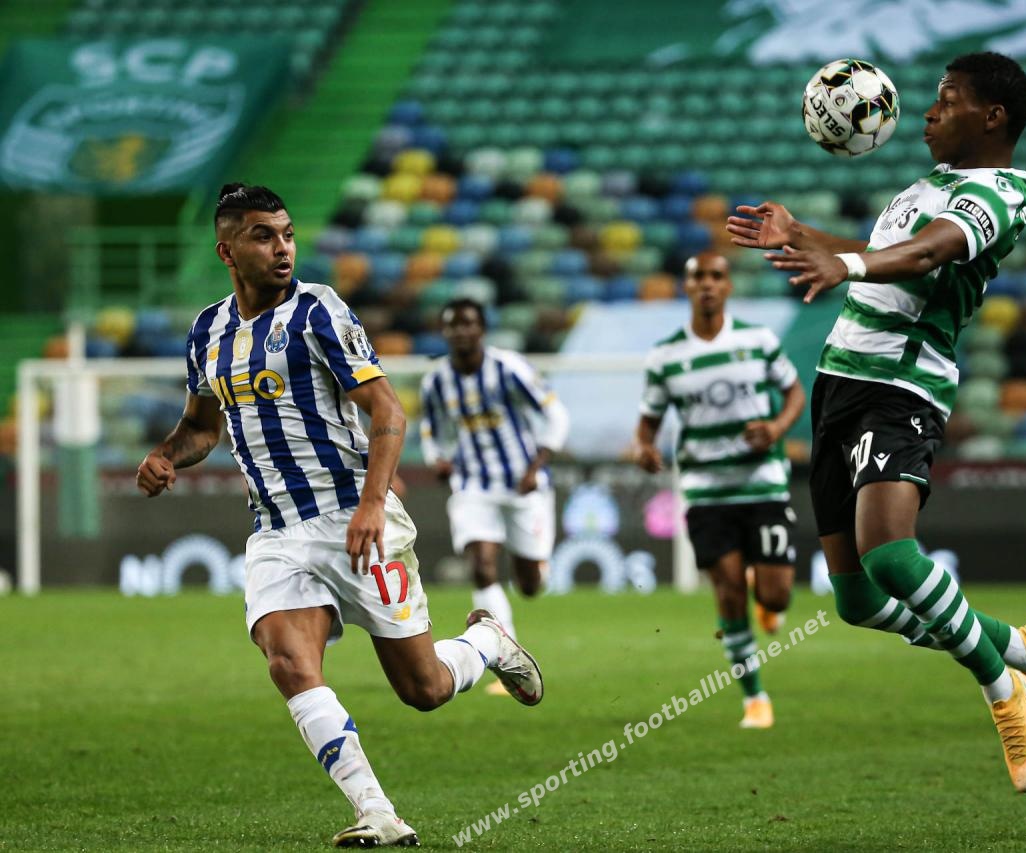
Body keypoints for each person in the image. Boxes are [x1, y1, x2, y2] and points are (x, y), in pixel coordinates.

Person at [136, 184, 544, 848]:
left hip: (351, 514)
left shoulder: (317, 310)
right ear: (227, 250)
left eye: (288, 234)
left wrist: (373, 505)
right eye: (264, 236)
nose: (283, 248)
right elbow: (202, 427)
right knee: (289, 663)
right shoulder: (207, 331)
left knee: (423, 688)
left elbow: (388, 410)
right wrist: (165, 455)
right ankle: (378, 812)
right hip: (276, 530)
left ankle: (487, 643)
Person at [726, 52, 1026, 792]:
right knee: (857, 601)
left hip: (901, 388)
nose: (927, 112)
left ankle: (1003, 687)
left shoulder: (997, 195)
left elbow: (924, 255)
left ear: (992, 117)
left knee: (891, 557)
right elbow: (877, 254)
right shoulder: (928, 186)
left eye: (947, 100)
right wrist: (801, 235)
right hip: (839, 383)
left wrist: (846, 267)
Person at [633, 251, 806, 730]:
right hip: (706, 491)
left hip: (762, 485)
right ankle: (755, 698)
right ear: (687, 287)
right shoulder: (665, 356)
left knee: (777, 597)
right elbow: (647, 424)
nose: (707, 284)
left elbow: (795, 393)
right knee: (727, 593)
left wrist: (777, 428)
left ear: (728, 286)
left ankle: (765, 598)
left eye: (716, 276)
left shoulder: (758, 340)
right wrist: (644, 449)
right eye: (698, 277)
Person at [419, 297, 569, 691]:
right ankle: (507, 655)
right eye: (453, 325)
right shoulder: (437, 381)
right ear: (444, 332)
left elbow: (555, 414)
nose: (461, 331)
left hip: (523, 484)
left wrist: (537, 466)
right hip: (473, 485)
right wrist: (438, 459)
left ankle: (536, 569)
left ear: (482, 329)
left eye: (468, 323)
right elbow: (432, 430)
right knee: (482, 566)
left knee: (530, 585)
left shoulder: (509, 368)